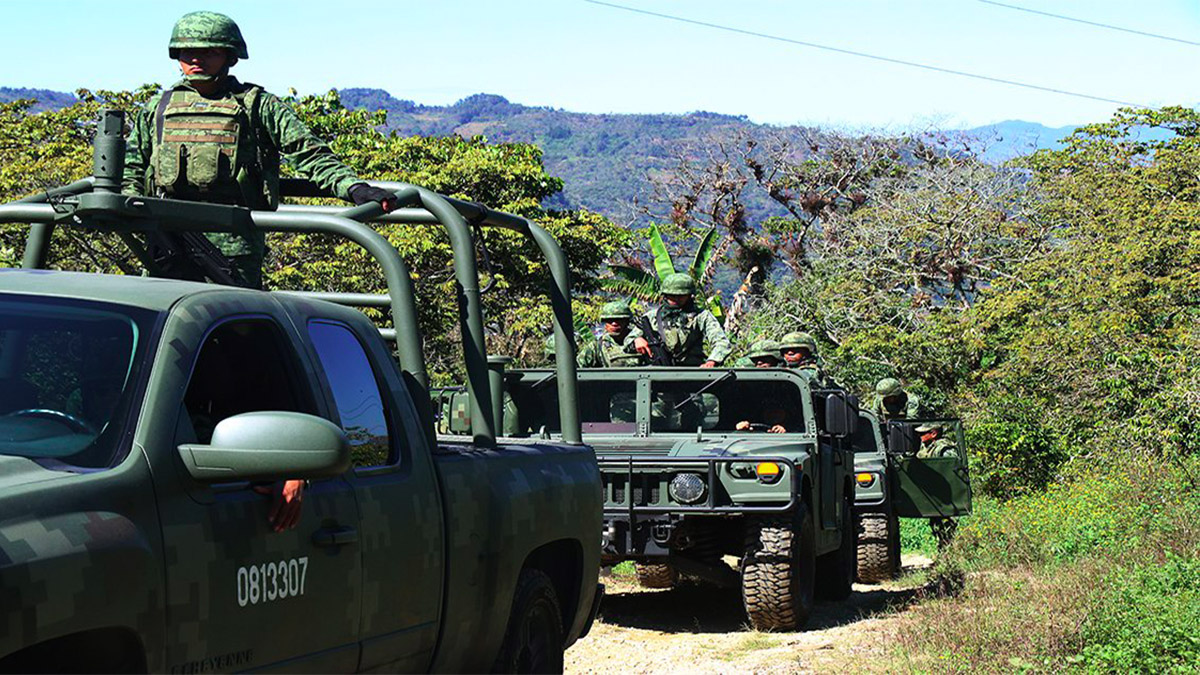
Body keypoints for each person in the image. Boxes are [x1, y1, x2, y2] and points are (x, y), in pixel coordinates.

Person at [122, 11, 400, 289]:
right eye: (188, 51)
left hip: (234, 246)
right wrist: (131, 213)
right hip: (167, 239)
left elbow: (308, 152)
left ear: (230, 56)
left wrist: (353, 187)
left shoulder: (256, 105)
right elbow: (131, 168)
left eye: (209, 51)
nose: (196, 59)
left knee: (234, 314)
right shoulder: (158, 107)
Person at [629, 272, 731, 367]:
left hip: (692, 371)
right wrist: (637, 340)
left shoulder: (701, 316)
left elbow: (721, 342)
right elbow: (628, 341)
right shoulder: (651, 317)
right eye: (672, 296)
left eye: (681, 296)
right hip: (657, 371)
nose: (676, 299)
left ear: (690, 296)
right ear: (665, 295)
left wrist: (712, 361)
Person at [577, 300, 648, 368]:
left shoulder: (642, 341)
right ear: (604, 323)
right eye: (609, 320)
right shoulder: (597, 346)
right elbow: (577, 368)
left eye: (619, 320)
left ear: (627, 321)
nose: (614, 324)